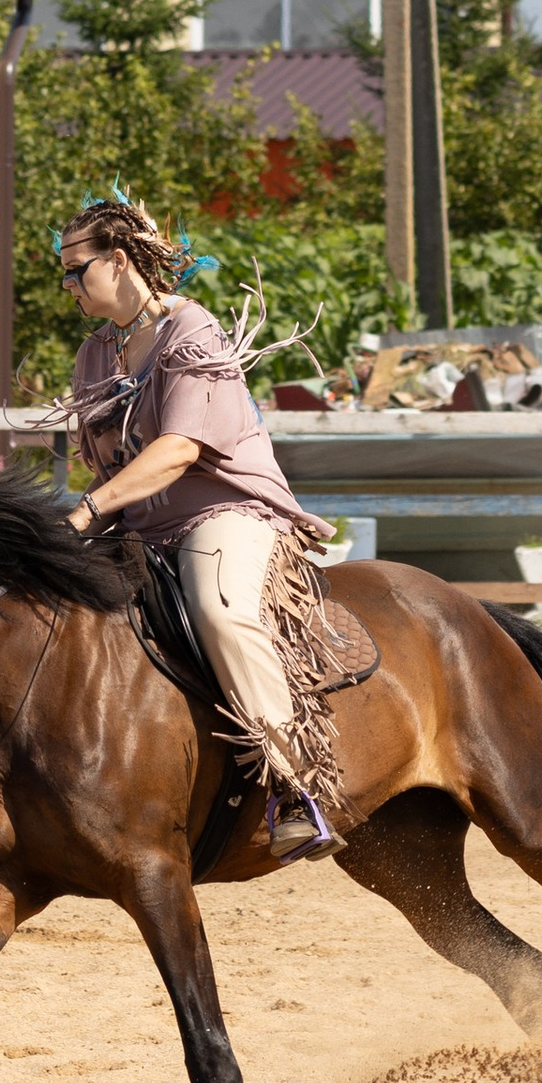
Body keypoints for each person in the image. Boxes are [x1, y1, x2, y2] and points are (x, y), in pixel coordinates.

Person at [60, 196, 345, 862]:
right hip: (138, 521)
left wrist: (90, 510)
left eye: (75, 270)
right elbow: (111, 461)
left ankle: (294, 787)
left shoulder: (193, 336)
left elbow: (179, 450)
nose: (68, 284)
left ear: (120, 261)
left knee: (220, 612)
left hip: (225, 512)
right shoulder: (94, 355)